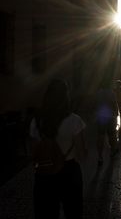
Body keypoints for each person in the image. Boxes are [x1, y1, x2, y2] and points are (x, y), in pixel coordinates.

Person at [30, 78, 87, 219]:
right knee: (73, 212)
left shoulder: (36, 120)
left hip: (44, 172)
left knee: (46, 213)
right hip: (69, 171)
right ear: (66, 97)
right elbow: (81, 154)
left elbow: (33, 152)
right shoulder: (75, 120)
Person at [95, 79, 119, 166]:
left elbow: (94, 104)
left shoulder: (98, 93)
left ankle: (100, 156)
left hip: (101, 116)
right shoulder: (111, 93)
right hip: (110, 116)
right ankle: (112, 151)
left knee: (100, 136)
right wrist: (117, 113)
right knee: (111, 135)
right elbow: (114, 104)